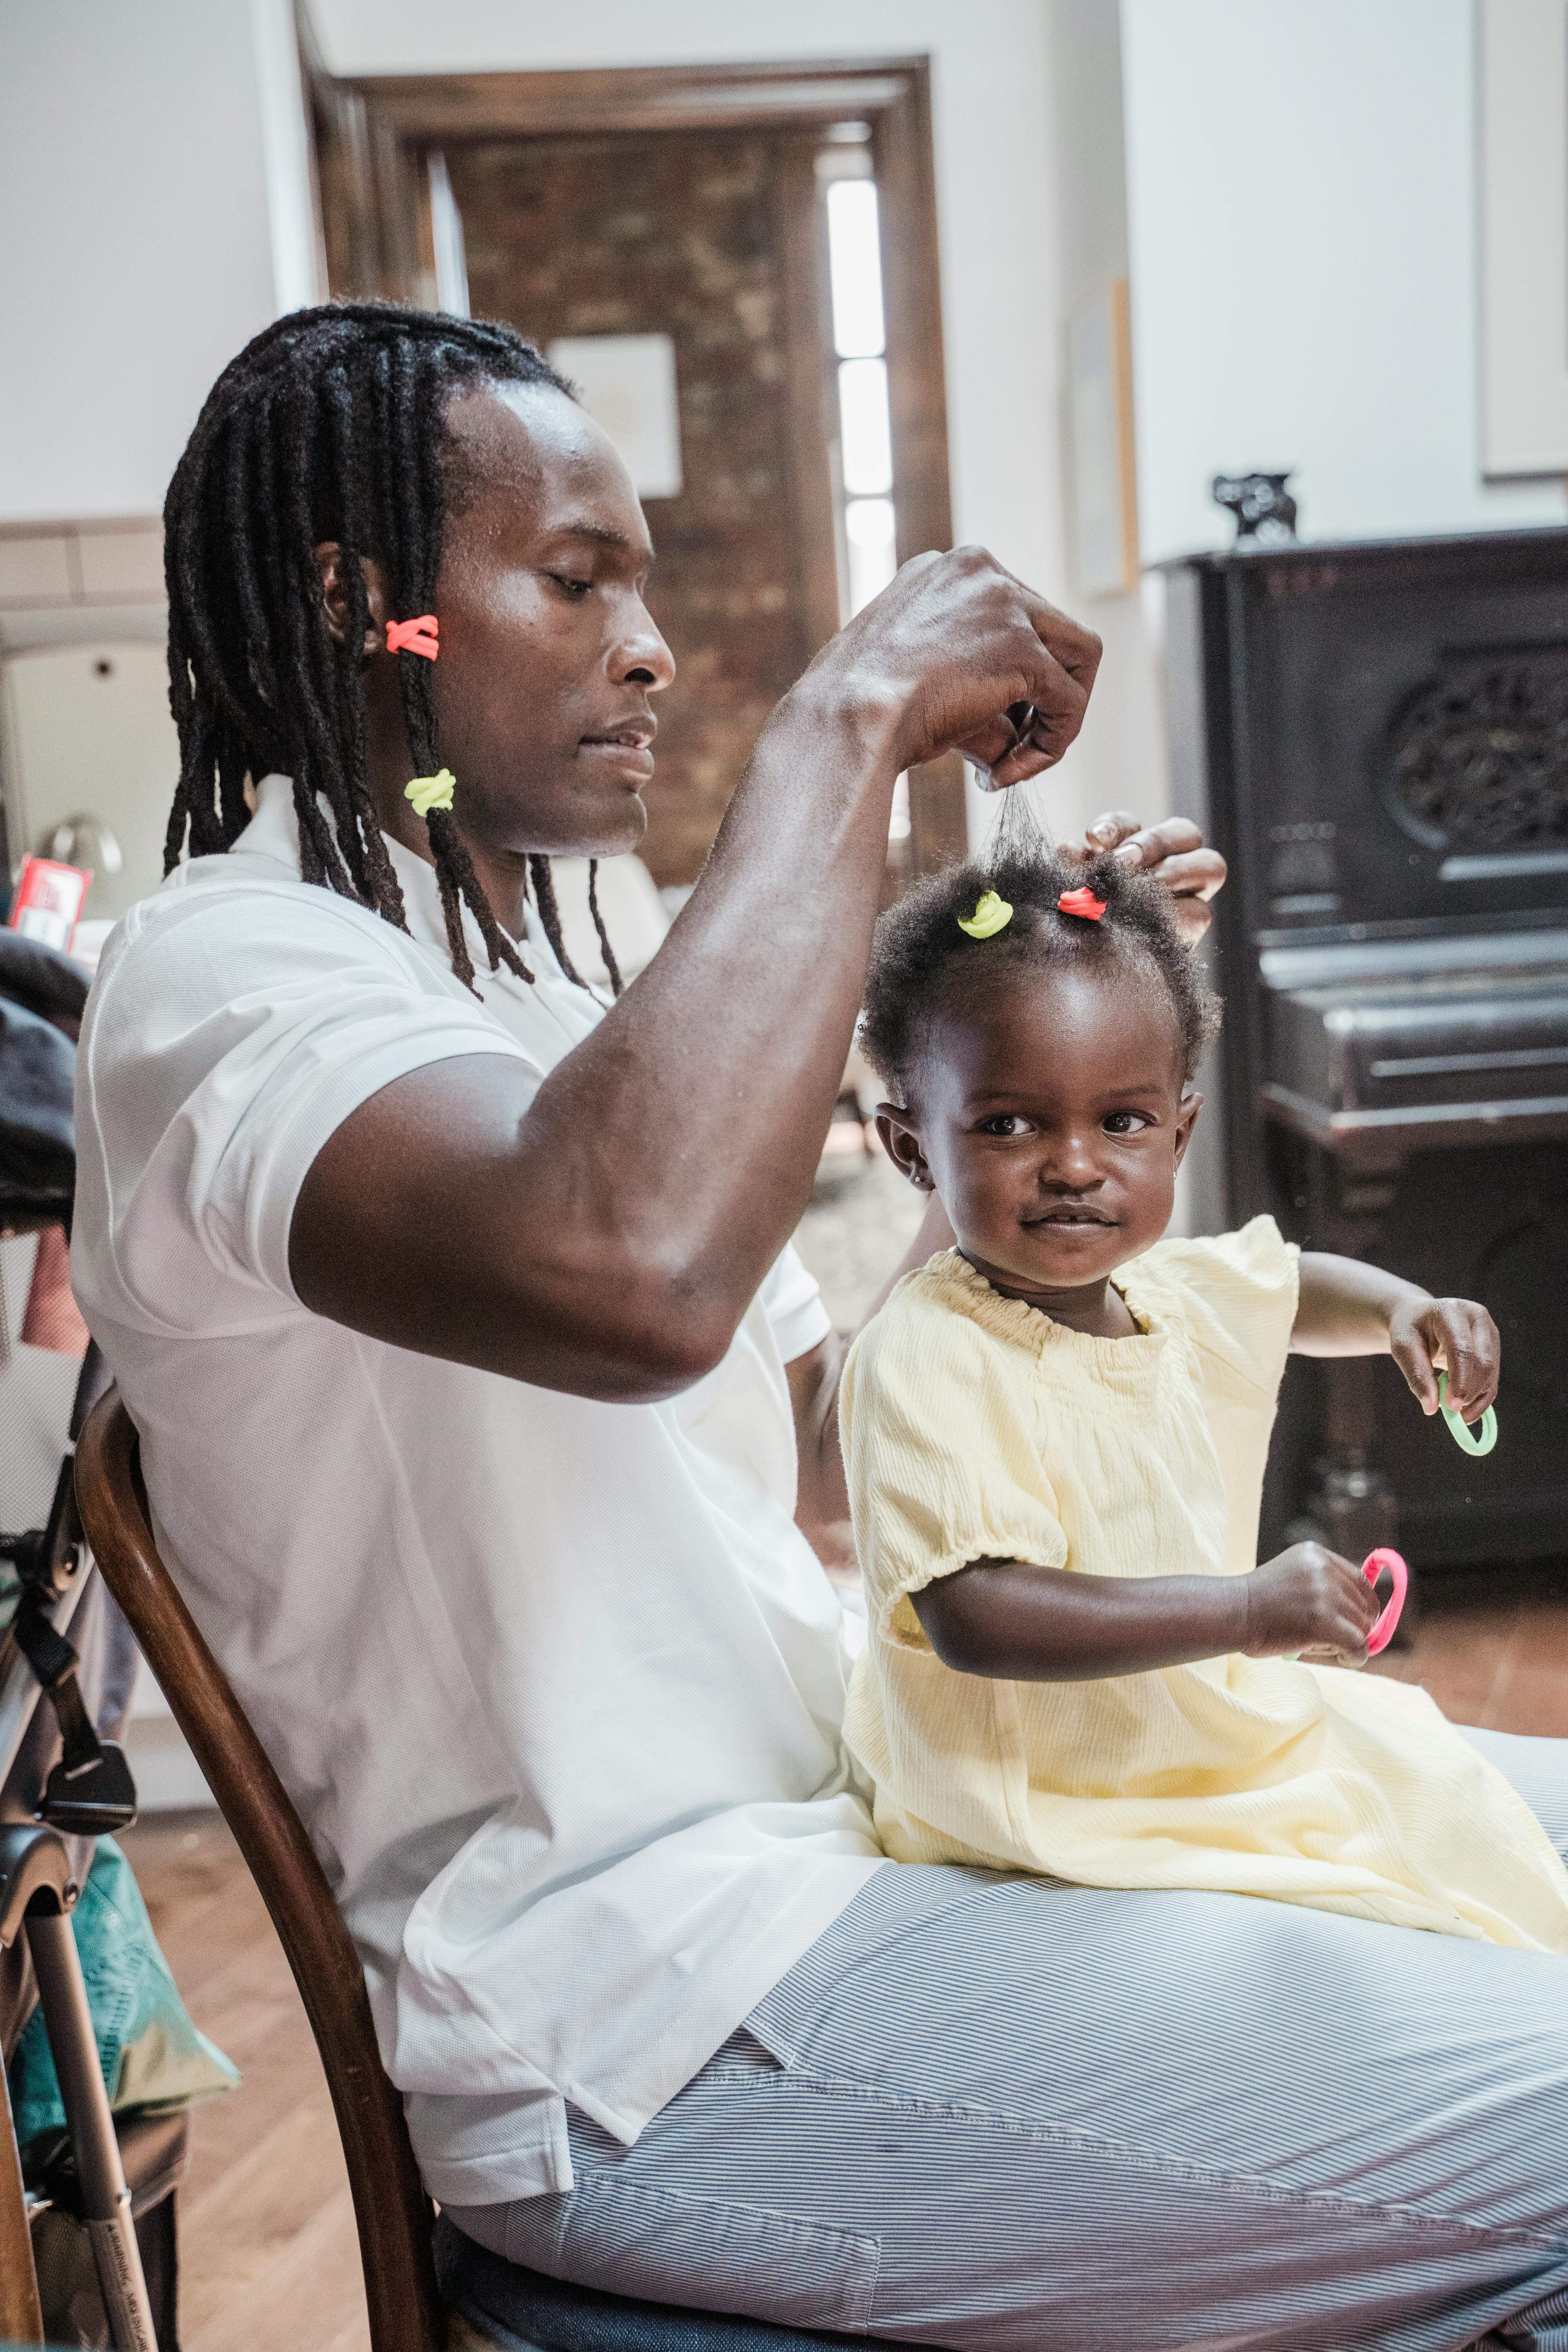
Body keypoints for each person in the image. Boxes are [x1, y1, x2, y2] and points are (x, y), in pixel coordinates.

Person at [67, 304, 1568, 2350]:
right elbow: (634, 1279)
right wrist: (849, 718)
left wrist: (1045, 1087)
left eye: (645, 590)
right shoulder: (226, 978)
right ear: (365, 604)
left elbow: (826, 1431)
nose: (652, 650)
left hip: (864, 1822)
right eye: (577, 577)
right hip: (648, 2015)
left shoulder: (540, 984)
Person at [842, 842, 1568, 1953]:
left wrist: (1400, 1311)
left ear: (1178, 1131)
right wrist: (1243, 1611)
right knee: (1394, 1907)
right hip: (1055, 1800)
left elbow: (1288, 1291)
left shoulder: (1162, 1290)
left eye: (1120, 1123)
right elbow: (976, 1613)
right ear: (911, 1149)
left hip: (1186, 1736)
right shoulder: (927, 1352)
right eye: (1008, 1125)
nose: (1076, 1165)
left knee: (1450, 1812)